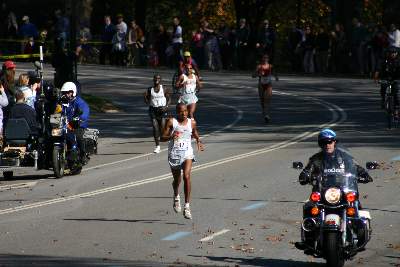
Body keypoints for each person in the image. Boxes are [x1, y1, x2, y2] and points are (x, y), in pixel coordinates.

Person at [296, 128, 373, 248]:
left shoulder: (345, 157)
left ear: (334, 142)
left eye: (330, 141)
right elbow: (307, 170)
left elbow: (356, 167)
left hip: (342, 191)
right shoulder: (316, 159)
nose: (327, 145)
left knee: (356, 205)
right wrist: (304, 175)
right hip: (322, 192)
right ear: (320, 144)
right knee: (308, 208)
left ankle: (360, 233)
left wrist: (364, 174)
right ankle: (308, 238)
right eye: (324, 142)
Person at [161, 103, 204, 219]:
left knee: (186, 176)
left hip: (187, 153)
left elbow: (194, 132)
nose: (184, 113)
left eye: (185, 111)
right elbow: (162, 137)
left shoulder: (192, 122)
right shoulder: (171, 122)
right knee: (177, 180)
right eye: (181, 111)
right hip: (174, 154)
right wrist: (171, 136)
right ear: (177, 112)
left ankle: (187, 206)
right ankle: (176, 196)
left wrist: (199, 141)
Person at [60, 82, 90, 163]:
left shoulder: (79, 102)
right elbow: (57, 110)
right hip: (64, 125)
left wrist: (80, 118)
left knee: (78, 136)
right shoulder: (62, 102)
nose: (66, 94)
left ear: (73, 92)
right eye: (64, 92)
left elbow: (85, 112)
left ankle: (83, 155)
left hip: (76, 125)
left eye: (68, 92)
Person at [144, 74, 170, 153]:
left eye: (158, 78)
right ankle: (157, 146)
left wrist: (166, 106)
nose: (156, 79)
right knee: (155, 128)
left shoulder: (164, 88)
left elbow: (169, 99)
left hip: (162, 110)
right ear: (153, 79)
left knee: (162, 129)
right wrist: (144, 97)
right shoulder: (150, 89)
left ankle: (168, 137)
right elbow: (147, 102)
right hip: (153, 110)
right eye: (155, 78)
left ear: (160, 79)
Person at [253, 54, 273, 123]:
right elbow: (253, 75)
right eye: (264, 58)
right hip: (261, 85)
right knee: (262, 101)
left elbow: (275, 73)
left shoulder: (271, 66)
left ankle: (267, 115)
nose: (265, 59)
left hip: (268, 85)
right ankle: (265, 114)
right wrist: (259, 74)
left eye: (266, 58)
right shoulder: (259, 66)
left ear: (268, 59)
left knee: (267, 100)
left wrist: (276, 77)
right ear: (262, 59)